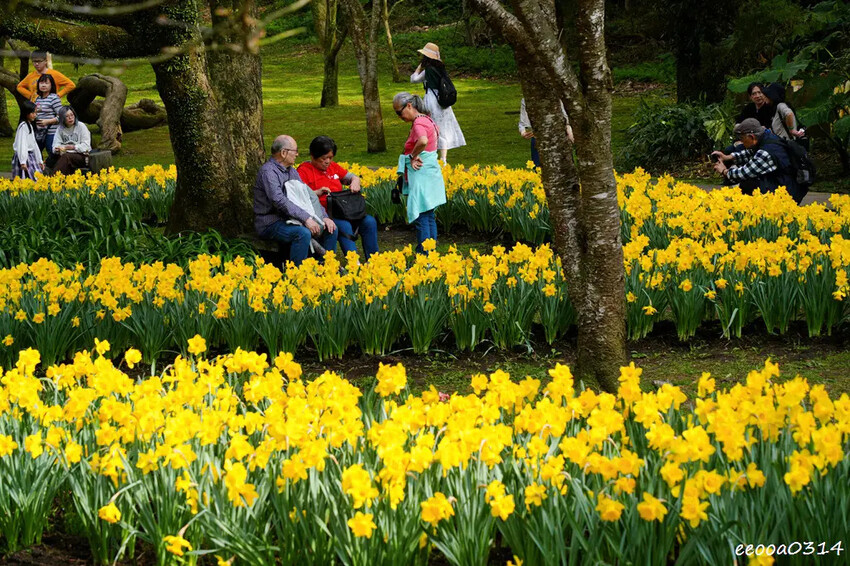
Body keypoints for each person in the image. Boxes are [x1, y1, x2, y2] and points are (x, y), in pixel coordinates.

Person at [254, 135, 339, 265]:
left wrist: (324, 216)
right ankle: (297, 276)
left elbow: (307, 196)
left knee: (331, 228)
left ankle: (326, 270)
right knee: (302, 233)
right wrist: (306, 218)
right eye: (295, 151)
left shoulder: (291, 171)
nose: (297, 154)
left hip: (292, 219)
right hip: (271, 222)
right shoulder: (268, 172)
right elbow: (279, 200)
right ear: (283, 153)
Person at [297, 136, 379, 260]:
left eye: (330, 158)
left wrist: (355, 181)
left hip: (345, 210)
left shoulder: (333, 167)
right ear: (313, 156)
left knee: (369, 222)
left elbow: (351, 177)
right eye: (324, 158)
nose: (327, 161)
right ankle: (354, 263)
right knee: (344, 226)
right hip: (325, 213)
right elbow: (300, 196)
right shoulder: (304, 171)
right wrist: (317, 192)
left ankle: (374, 260)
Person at [392, 92, 447, 253]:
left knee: (422, 216)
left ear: (409, 106)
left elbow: (423, 141)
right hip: (431, 174)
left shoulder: (418, 123)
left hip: (421, 175)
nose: (399, 116)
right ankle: (431, 253)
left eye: (399, 112)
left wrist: (412, 156)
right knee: (429, 216)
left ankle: (424, 256)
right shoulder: (428, 120)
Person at [711, 118, 804, 203]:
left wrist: (724, 171)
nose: (741, 142)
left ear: (751, 137)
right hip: (783, 184)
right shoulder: (767, 137)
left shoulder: (767, 152)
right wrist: (728, 157)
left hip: (785, 194)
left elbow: (743, 173)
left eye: (742, 139)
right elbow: (750, 153)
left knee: (747, 183)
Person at [410, 42, 465, 164]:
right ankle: (443, 160)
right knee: (443, 129)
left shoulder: (428, 71)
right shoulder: (441, 68)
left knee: (432, 128)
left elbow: (413, 79)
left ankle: (431, 156)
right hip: (443, 101)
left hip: (432, 100)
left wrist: (419, 67)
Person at [518, 97, 574, 167]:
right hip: (538, 140)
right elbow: (523, 124)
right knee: (539, 170)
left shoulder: (559, 95)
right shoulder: (527, 98)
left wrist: (568, 128)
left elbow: (568, 119)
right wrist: (524, 132)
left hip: (560, 138)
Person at [51, 106, 91, 175]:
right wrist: (57, 149)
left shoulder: (81, 126)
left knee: (66, 157)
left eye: (72, 115)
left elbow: (86, 146)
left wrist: (72, 147)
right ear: (62, 118)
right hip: (64, 154)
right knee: (52, 159)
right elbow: (55, 145)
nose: (70, 118)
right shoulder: (60, 129)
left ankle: (54, 180)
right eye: (67, 116)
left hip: (81, 156)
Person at [11, 100, 43, 180]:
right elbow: (22, 145)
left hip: (30, 156)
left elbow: (34, 144)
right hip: (24, 157)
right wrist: (23, 161)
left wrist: (39, 160)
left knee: (36, 177)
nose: (35, 115)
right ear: (26, 113)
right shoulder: (23, 127)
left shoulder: (29, 126)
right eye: (33, 113)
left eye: (35, 112)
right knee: (26, 179)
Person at [33, 74, 63, 156]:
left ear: (51, 85)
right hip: (39, 132)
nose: (43, 85)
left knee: (52, 152)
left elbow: (62, 115)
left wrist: (48, 121)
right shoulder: (38, 99)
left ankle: (57, 168)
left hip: (51, 132)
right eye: (41, 83)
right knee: (36, 153)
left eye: (46, 83)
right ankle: (38, 168)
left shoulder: (54, 98)